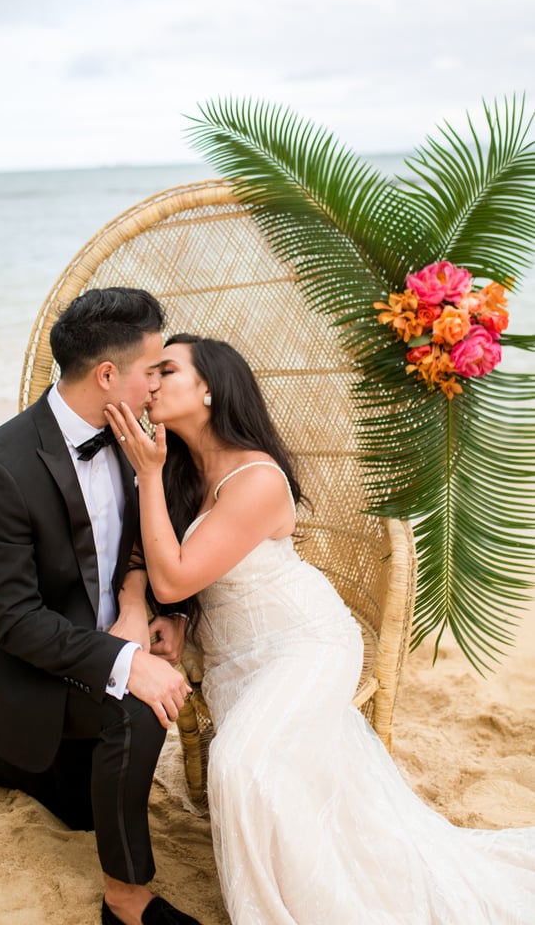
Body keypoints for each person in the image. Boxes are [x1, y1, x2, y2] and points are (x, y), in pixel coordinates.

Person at [105, 333, 535, 925]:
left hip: (304, 643)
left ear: (208, 389)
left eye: (166, 371)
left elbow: (175, 576)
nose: (149, 383)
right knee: (280, 779)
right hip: (237, 662)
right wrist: (162, 614)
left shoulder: (256, 478)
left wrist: (148, 480)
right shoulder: (180, 472)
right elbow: (149, 560)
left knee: (239, 765)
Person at [0, 289, 202, 925]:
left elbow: (150, 538)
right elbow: (14, 620)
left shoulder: (138, 436)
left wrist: (146, 606)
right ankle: (125, 899)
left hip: (99, 639)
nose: (159, 383)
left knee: (76, 793)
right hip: (35, 660)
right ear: (106, 376)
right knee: (140, 710)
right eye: (152, 370)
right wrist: (125, 661)